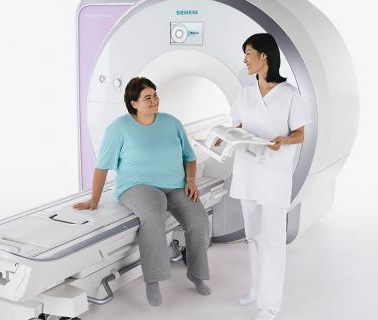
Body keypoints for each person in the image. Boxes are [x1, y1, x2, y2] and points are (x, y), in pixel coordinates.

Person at [73, 77, 211, 307]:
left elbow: (190, 157)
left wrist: (191, 180)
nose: (155, 100)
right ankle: (153, 281)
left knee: (199, 219)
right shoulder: (119, 128)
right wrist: (94, 200)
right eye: (148, 97)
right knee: (154, 216)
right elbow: (102, 166)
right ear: (133, 103)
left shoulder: (171, 123)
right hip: (137, 186)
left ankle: (197, 273)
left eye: (155, 95)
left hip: (176, 185)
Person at [227, 33, 311, 320]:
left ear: (264, 56)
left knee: (274, 240)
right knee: (253, 236)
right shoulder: (245, 93)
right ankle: (255, 288)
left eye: (248, 53)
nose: (245, 59)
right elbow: (236, 124)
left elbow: (300, 134)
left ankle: (270, 304)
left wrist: (282, 141)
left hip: (274, 172)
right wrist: (225, 137)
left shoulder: (289, 94)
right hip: (247, 169)